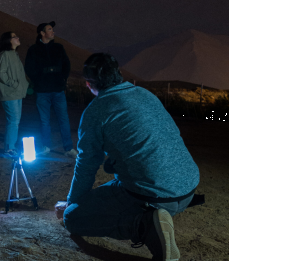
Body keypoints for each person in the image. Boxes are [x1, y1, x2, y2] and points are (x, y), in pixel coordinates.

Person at [58, 53, 200, 261]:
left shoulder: (96, 111)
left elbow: (87, 164)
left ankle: (144, 225)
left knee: (73, 218)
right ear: (119, 74)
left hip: (153, 196)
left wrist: (72, 204)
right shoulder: (145, 93)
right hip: (187, 189)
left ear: (89, 85)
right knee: (118, 183)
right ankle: (156, 217)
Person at [24, 21, 78, 158]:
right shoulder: (33, 50)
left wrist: (62, 79)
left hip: (58, 90)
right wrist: (39, 81)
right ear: (42, 33)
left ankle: (68, 148)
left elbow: (66, 65)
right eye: (49, 29)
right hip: (42, 91)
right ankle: (46, 146)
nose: (53, 32)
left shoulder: (59, 48)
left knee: (63, 119)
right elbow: (29, 68)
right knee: (44, 120)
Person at [0, 31, 30, 157]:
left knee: (15, 120)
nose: (18, 37)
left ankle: (11, 147)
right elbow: (0, 73)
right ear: (8, 40)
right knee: (13, 120)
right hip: (10, 93)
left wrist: (23, 86)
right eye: (14, 37)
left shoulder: (14, 54)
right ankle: (9, 149)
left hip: (17, 93)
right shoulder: (5, 54)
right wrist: (14, 84)